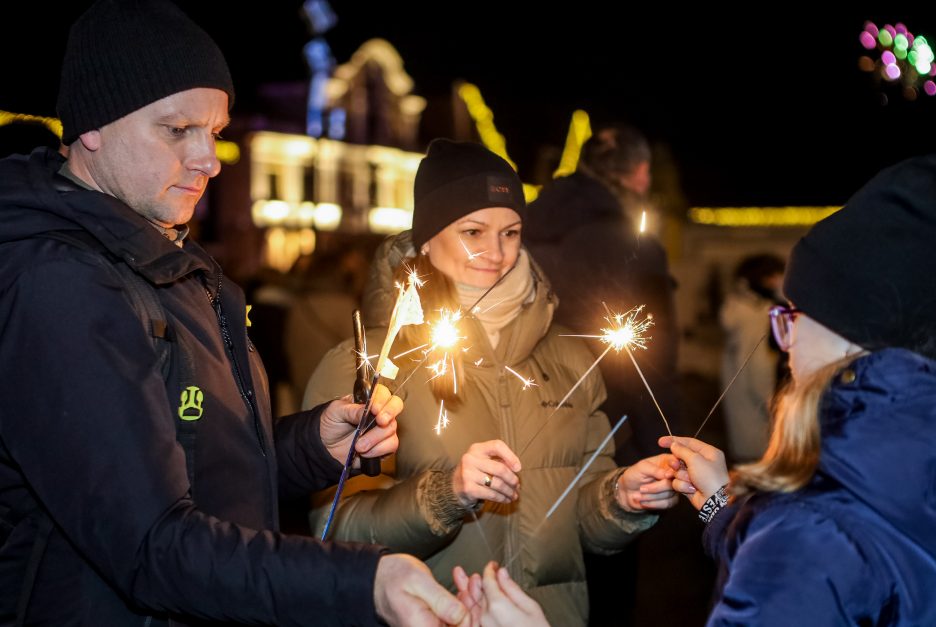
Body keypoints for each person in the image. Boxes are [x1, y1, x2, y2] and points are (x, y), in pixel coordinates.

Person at [0, 1, 467, 625]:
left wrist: (309, 448)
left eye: (214, 132)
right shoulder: (59, 283)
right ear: (93, 127)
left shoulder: (166, 257)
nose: (210, 160)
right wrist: (360, 582)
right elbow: (152, 545)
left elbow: (191, 470)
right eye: (177, 130)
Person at [304, 139, 678, 626]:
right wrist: (445, 494)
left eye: (511, 232)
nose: (495, 253)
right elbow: (334, 532)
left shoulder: (569, 353)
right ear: (428, 236)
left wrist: (619, 499)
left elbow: (576, 519)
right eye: (473, 231)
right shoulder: (370, 363)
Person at [662, 153, 936, 624]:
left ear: (846, 327)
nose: (785, 344)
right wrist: (721, 505)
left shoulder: (811, 533)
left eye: (792, 315)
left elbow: (811, 552)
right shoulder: (902, 478)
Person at [524, 123, 678, 462]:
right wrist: (661, 444)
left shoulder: (520, 232)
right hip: (614, 430)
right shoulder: (636, 247)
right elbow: (653, 360)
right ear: (639, 173)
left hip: (529, 420)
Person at [719, 253, 786, 462]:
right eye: (776, 276)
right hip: (760, 420)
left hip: (742, 411)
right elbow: (758, 366)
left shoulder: (738, 310)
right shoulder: (758, 315)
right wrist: (775, 408)